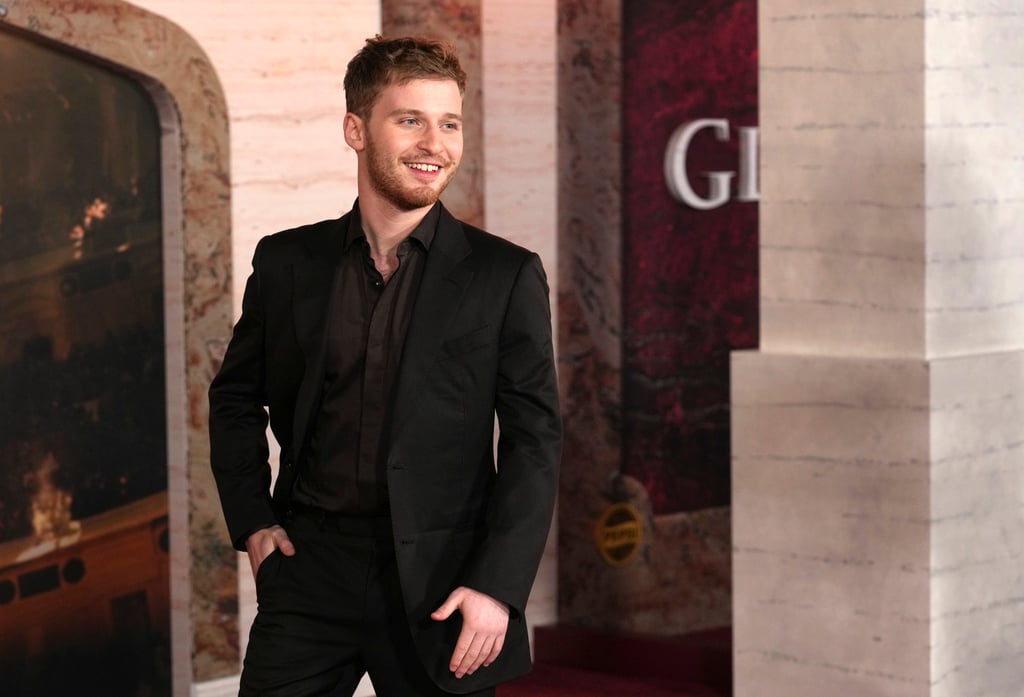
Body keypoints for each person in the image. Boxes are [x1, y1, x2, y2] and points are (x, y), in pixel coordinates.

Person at [208, 35, 561, 697]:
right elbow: (233, 400)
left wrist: (497, 585)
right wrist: (254, 523)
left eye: (449, 123)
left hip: (444, 584)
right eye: (411, 120)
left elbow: (534, 442)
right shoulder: (288, 264)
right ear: (355, 129)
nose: (436, 143)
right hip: (309, 572)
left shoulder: (504, 275)